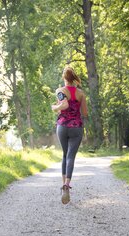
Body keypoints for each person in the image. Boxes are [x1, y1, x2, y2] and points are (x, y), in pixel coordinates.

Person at [51, 66, 88, 204]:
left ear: (64, 78)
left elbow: (64, 105)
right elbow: (85, 113)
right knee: (71, 156)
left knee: (65, 155)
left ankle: (63, 187)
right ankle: (67, 184)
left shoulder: (60, 91)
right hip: (76, 127)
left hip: (62, 126)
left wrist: (55, 107)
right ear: (74, 78)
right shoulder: (81, 93)